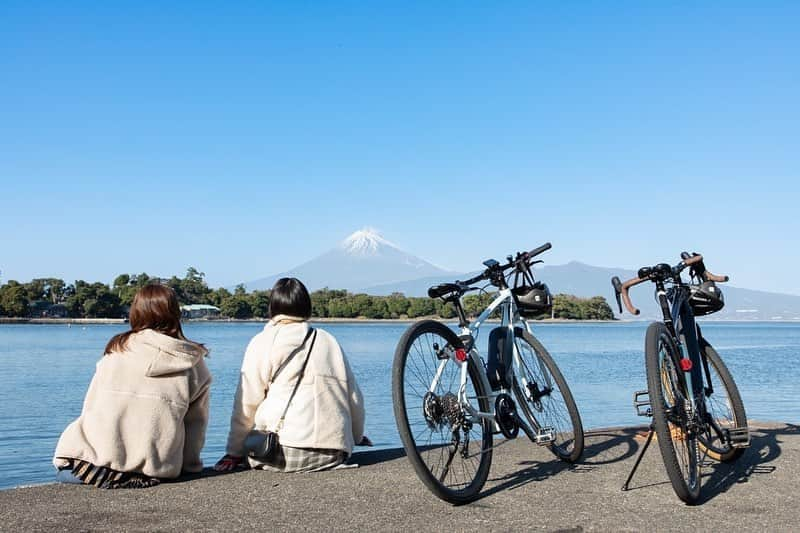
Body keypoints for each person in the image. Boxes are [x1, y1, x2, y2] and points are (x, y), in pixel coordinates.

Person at [53, 284, 211, 488]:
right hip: (156, 468)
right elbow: (196, 425)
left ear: (136, 311)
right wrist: (188, 466)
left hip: (97, 463)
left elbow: (91, 407)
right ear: (175, 313)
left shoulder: (118, 349)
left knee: (64, 472)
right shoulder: (192, 361)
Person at [215, 277, 366, 473]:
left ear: (272, 307)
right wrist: (356, 436)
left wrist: (234, 451)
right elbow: (353, 397)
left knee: (253, 444)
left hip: (280, 453)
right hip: (334, 454)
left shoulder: (262, 342)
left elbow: (246, 403)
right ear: (307, 307)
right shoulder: (328, 340)